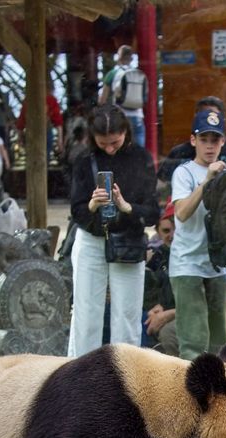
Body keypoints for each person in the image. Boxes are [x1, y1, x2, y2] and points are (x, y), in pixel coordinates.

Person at [67, 105, 158, 356]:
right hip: (92, 239)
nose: (109, 148)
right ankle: (79, 379)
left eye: (115, 142)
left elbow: (152, 213)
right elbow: (77, 212)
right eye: (103, 143)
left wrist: (127, 207)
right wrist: (92, 204)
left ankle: (125, 379)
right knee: (86, 315)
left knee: (127, 316)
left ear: (125, 133)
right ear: (93, 138)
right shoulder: (84, 159)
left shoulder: (141, 158)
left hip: (127, 240)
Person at [169, 109, 226, 359]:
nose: (209, 146)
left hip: (217, 264)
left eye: (215, 140)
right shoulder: (183, 173)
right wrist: (207, 181)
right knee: (193, 343)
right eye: (204, 139)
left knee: (219, 342)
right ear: (193, 140)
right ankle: (189, 395)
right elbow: (181, 213)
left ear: (223, 142)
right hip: (187, 263)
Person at [158, 96, 226, 183]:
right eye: (203, 115)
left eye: (213, 117)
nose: (209, 146)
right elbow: (163, 183)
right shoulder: (179, 152)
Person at [142, 202, 177, 356]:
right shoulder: (158, 256)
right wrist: (158, 306)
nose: (172, 235)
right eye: (166, 231)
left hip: (183, 314)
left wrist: (166, 312)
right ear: (157, 232)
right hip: (159, 310)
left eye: (176, 230)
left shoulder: (191, 258)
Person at [99, 45, 147, 147]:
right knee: (139, 152)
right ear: (131, 58)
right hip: (138, 117)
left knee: (121, 150)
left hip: (121, 116)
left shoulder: (112, 74)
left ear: (119, 57)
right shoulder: (139, 73)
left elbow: (102, 100)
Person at [15, 91, 64, 162]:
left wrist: (59, 140)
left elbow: (58, 121)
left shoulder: (50, 99)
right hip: (33, 134)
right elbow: (21, 122)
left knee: (40, 159)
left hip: (42, 132)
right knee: (38, 159)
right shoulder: (29, 100)